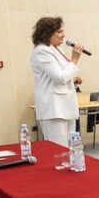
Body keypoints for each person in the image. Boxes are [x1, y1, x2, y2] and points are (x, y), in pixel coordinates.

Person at [30, 16, 83, 146]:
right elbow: (60, 78)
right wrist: (74, 60)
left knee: (71, 148)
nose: (63, 35)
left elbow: (62, 75)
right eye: (59, 32)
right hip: (54, 108)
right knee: (58, 150)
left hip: (66, 106)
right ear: (47, 33)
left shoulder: (57, 49)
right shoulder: (41, 52)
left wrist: (72, 79)